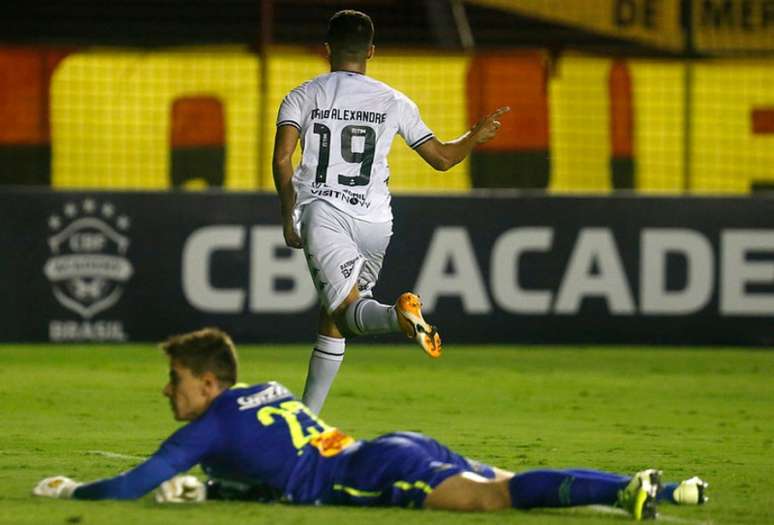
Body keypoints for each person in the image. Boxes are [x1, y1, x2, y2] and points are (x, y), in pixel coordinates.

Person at [34, 328, 708, 521]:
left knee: (494, 496)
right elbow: (273, 462)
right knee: (505, 481)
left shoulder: (204, 428)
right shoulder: (261, 391)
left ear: (208, 383)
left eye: (175, 379)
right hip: (386, 445)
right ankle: (656, 487)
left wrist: (70, 492)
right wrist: (211, 486)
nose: (167, 390)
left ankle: (625, 489)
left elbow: (127, 488)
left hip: (369, 472)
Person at [272, 9, 511, 414]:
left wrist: (288, 214)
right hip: (376, 222)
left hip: (325, 213)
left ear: (327, 49)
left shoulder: (303, 94)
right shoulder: (393, 100)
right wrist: (475, 135)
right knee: (334, 315)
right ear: (372, 52)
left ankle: (399, 314)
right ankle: (307, 418)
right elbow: (442, 158)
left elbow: (282, 160)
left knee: (347, 315)